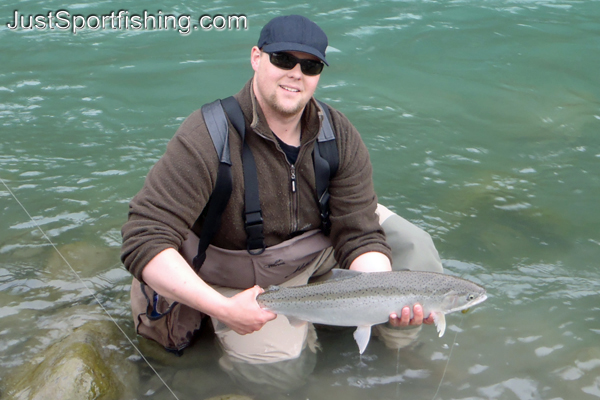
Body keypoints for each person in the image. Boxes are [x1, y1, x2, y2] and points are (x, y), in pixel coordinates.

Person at [121, 14, 443, 391]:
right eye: (282, 60)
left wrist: (382, 300)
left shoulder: (338, 133)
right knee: (277, 374)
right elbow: (143, 237)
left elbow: (359, 232)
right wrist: (222, 308)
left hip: (316, 248)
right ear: (256, 57)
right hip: (240, 276)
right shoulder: (207, 135)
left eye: (310, 65)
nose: (296, 73)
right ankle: (238, 331)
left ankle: (397, 351)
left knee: (414, 247)